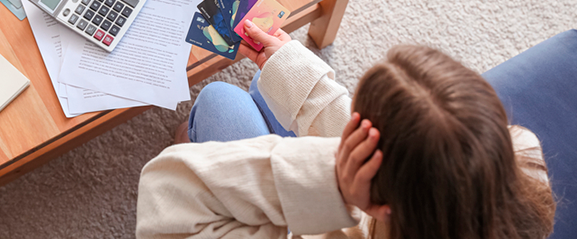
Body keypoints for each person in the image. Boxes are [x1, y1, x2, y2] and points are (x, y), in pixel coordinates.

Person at [136, 20, 555, 238]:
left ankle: (193, 135)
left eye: (359, 126)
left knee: (219, 103)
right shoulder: (522, 155)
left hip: (311, 221)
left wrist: (333, 181)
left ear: (379, 191)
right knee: (266, 85)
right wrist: (291, 70)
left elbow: (166, 194)